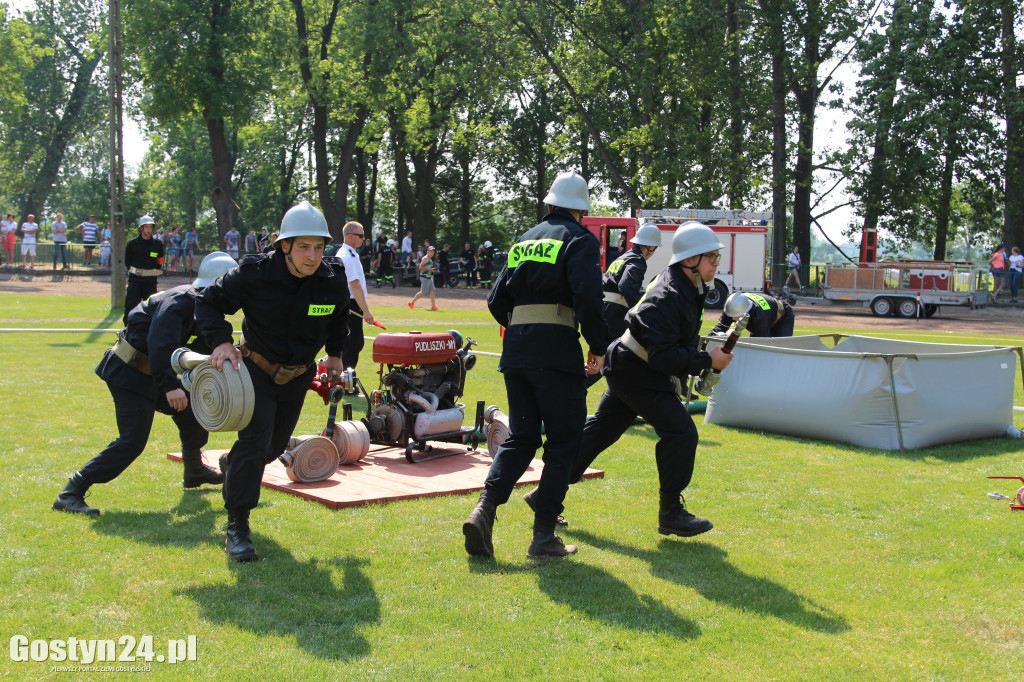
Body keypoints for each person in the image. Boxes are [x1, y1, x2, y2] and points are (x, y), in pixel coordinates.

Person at [462, 170, 607, 560]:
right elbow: (590, 298)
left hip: (518, 353)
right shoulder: (580, 240)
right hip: (557, 352)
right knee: (563, 442)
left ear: (549, 204)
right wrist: (598, 344)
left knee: (522, 438)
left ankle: (484, 510)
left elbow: (496, 301)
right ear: (582, 211)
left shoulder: (524, 240)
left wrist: (523, 326)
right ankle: (543, 538)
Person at [196, 201, 350, 562]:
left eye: (318, 247)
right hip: (256, 370)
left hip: (298, 376)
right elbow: (207, 301)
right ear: (285, 246)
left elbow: (339, 316)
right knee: (255, 440)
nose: (312, 257)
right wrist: (220, 340)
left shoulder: (332, 278)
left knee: (271, 448)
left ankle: (235, 467)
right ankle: (237, 526)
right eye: (303, 247)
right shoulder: (254, 274)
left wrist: (337, 353)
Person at [565, 221, 734, 538]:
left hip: (630, 365)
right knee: (681, 432)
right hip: (636, 369)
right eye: (711, 256)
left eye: (716, 257)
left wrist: (703, 352)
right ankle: (670, 513)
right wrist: (705, 361)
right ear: (689, 260)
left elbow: (674, 340)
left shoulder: (687, 286)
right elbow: (663, 356)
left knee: (599, 433)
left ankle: (549, 493)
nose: (716, 263)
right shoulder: (669, 293)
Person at [51, 252, 239, 516]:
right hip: (129, 372)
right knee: (132, 441)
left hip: (152, 372)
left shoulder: (201, 306)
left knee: (192, 412)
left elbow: (199, 345)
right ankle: (70, 492)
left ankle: (194, 469)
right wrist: (170, 386)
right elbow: (160, 343)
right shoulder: (181, 301)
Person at [338, 220, 376, 368]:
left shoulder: (347, 253)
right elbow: (355, 285)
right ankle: (346, 379)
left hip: (346, 303)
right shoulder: (349, 257)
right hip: (351, 303)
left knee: (351, 342)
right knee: (354, 342)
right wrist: (366, 312)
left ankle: (344, 377)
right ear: (351, 236)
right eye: (360, 236)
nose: (363, 239)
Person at [123, 215, 165, 324]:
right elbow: (127, 262)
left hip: (150, 282)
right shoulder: (132, 244)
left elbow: (160, 262)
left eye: (150, 227)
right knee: (131, 307)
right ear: (141, 228)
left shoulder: (158, 245)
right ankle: (128, 330)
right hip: (135, 281)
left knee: (151, 308)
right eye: (146, 227)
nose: (149, 230)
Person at [708, 292, 795, 338]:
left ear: (747, 312)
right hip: (768, 313)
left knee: (778, 350)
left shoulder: (759, 317)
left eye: (737, 315)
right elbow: (720, 328)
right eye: (732, 316)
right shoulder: (732, 308)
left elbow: (760, 345)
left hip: (783, 317)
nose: (733, 319)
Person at [409, 245, 440, 310]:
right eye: (431, 252)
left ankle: (433, 306)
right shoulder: (425, 258)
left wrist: (431, 269)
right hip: (424, 277)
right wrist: (430, 270)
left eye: (433, 252)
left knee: (433, 290)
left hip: (428, 277)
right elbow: (420, 267)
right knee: (423, 292)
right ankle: (411, 303)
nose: (432, 253)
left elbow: (427, 267)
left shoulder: (429, 259)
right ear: (427, 251)